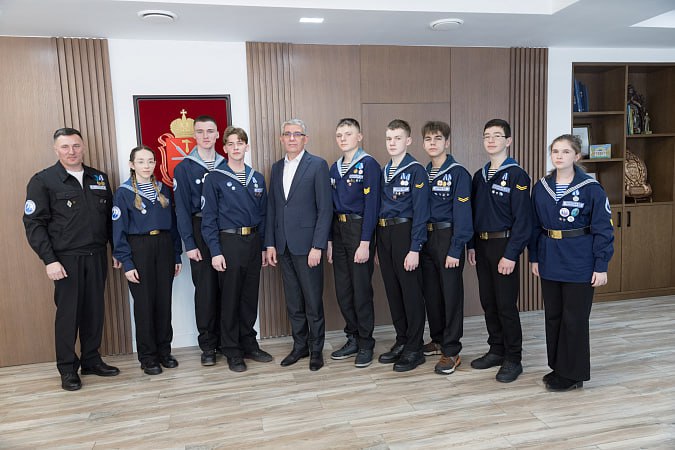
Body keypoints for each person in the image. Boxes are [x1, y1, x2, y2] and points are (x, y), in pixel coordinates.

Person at [23, 127, 120, 391]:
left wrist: (116, 250)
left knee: (94, 311)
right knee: (69, 315)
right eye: (65, 147)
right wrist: (49, 260)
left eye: (76, 146)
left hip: (96, 255)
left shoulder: (98, 178)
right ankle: (67, 369)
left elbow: (110, 220)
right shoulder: (43, 181)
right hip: (66, 260)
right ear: (56, 150)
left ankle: (91, 360)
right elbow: (34, 224)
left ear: (83, 147)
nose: (71, 151)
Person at [530, 134, 613, 391]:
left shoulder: (591, 188)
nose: (559, 156)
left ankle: (573, 374)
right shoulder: (541, 187)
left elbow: (604, 230)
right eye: (555, 151)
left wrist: (601, 265)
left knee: (574, 319)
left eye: (566, 151)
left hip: (580, 260)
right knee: (553, 316)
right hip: (549, 258)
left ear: (577, 156)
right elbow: (534, 226)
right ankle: (558, 368)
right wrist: (534, 257)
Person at [201, 126, 274, 373]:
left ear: (246, 146)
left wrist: (263, 247)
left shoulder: (257, 178)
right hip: (229, 242)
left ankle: (248, 344)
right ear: (224, 148)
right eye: (231, 144)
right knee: (230, 298)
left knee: (249, 297)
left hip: (253, 242)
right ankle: (231, 349)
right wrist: (215, 251)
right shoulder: (215, 178)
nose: (235, 148)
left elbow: (264, 216)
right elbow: (208, 219)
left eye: (240, 143)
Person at [467, 118, 532, 383]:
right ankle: (496, 349)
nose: (491, 140)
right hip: (482, 245)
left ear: (509, 141)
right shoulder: (478, 176)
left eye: (497, 135)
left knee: (506, 304)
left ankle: (513, 358)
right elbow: (473, 214)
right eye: (487, 136)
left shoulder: (517, 175)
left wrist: (511, 254)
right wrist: (472, 245)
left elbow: (523, 221)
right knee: (488, 301)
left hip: (504, 245)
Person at [265, 119, 332, 371]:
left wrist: (318, 246)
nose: (291, 138)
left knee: (313, 301)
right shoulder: (276, 168)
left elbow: (325, 209)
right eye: (287, 134)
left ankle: (316, 350)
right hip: (283, 246)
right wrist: (270, 244)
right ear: (281, 138)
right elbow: (273, 208)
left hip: (308, 247)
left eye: (297, 134)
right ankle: (300, 346)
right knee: (293, 302)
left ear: (305, 138)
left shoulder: (317, 165)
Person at [112, 146, 182, 375]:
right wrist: (127, 262)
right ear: (132, 165)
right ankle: (148, 357)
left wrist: (176, 254)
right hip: (139, 248)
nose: (146, 165)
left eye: (150, 161)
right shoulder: (123, 193)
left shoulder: (163, 189)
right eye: (141, 161)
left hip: (163, 246)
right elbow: (118, 231)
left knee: (163, 302)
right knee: (144, 305)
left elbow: (173, 226)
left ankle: (164, 351)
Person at [326, 118, 381, 368]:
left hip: (359, 230)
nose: (343, 138)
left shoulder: (369, 164)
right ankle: (353, 337)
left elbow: (372, 206)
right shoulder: (334, 168)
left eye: (348, 134)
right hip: (339, 230)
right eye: (339, 135)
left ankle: (366, 342)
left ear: (359, 137)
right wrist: (329, 240)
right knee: (343, 289)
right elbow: (329, 208)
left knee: (361, 289)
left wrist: (365, 242)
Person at [420, 121, 473, 375]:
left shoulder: (458, 173)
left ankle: (451, 350)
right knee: (432, 293)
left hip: (448, 237)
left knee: (451, 295)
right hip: (427, 238)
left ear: (447, 142)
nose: (433, 143)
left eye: (438, 138)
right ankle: (438, 338)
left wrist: (456, 247)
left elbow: (463, 214)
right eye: (428, 139)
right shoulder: (423, 172)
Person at [376, 119, 430, 372]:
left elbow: (421, 212)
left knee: (410, 292)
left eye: (398, 138)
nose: (392, 143)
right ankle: (402, 339)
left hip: (405, 233)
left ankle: (415, 347)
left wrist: (415, 247)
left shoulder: (416, 170)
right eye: (389, 138)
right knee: (393, 291)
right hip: (384, 233)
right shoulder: (383, 170)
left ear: (408, 141)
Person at [173, 115, 227, 366]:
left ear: (217, 135)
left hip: (225, 229)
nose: (206, 136)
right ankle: (208, 345)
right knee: (205, 290)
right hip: (199, 229)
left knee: (227, 287)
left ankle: (228, 341)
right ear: (194, 135)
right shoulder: (184, 168)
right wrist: (190, 243)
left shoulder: (227, 164)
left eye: (210, 131)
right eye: (201, 131)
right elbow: (182, 209)